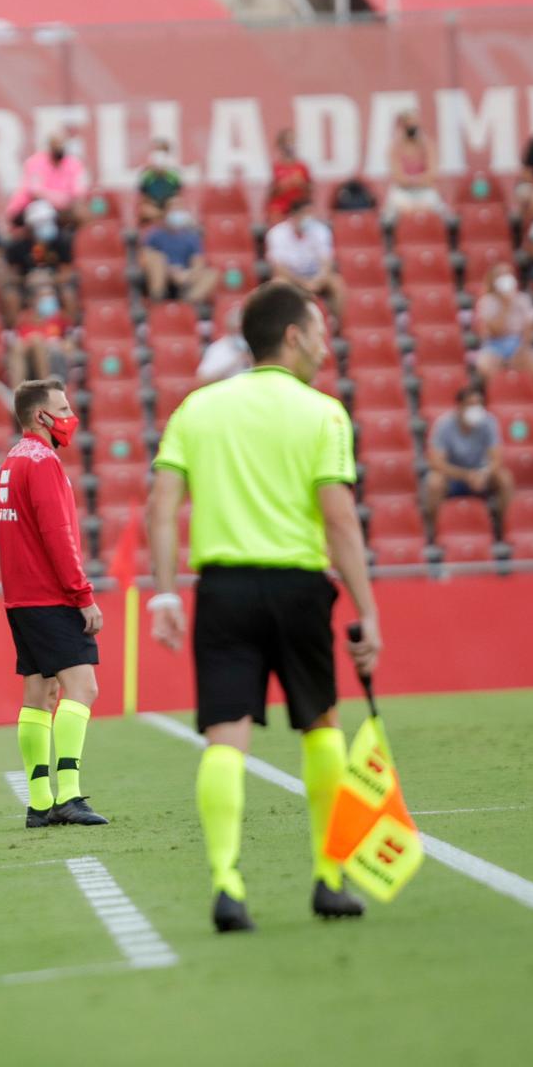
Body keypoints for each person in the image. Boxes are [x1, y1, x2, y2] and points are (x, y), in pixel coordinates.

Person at [145, 279, 380, 932]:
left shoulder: (197, 408)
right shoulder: (324, 413)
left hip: (222, 589)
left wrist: (166, 590)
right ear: (295, 335)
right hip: (300, 588)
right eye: (322, 333)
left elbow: (160, 507)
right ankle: (330, 879)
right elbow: (340, 521)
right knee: (321, 725)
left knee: (225, 737)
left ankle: (227, 884)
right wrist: (368, 607)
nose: (328, 347)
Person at [0, 378, 107, 829]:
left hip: (21, 599)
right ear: (41, 416)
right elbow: (59, 537)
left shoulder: (12, 461)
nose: (71, 415)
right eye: (64, 407)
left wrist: (21, 549)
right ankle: (69, 795)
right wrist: (83, 596)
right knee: (82, 689)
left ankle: (38, 803)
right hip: (51, 596)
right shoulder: (45, 462)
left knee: (41, 692)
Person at [423, 384, 515, 531]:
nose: (476, 409)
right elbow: (436, 463)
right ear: (459, 406)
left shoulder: (489, 422)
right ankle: (435, 531)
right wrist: (466, 476)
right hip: (454, 477)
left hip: (481, 475)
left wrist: (484, 474)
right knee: (434, 482)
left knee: (505, 478)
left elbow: (497, 459)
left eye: (479, 404)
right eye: (471, 404)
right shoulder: (444, 425)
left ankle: (502, 529)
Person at [264, 198, 343, 322]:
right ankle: (282, 323)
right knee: (278, 284)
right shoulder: (276, 234)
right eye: (305, 213)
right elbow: (279, 268)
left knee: (337, 283)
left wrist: (317, 281)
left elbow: (327, 262)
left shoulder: (320, 230)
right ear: (294, 215)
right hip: (292, 278)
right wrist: (304, 283)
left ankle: (336, 325)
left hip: (316, 277)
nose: (309, 217)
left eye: (311, 213)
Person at [2, 200, 76, 323]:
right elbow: (12, 275)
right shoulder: (17, 247)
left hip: (54, 285)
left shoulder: (62, 243)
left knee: (68, 294)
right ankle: (15, 333)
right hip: (28, 286)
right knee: (11, 297)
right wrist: (29, 279)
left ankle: (71, 329)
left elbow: (67, 273)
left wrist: (48, 280)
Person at [140, 198, 218, 305]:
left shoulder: (191, 237)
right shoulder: (154, 235)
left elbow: (198, 262)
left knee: (211, 274)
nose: (177, 212)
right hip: (163, 276)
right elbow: (145, 258)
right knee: (157, 259)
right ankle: (157, 299)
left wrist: (188, 275)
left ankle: (187, 304)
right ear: (166, 212)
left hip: (184, 278)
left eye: (180, 208)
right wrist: (170, 271)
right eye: (174, 208)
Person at [7, 131, 88, 223]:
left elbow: (79, 192)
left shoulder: (73, 164)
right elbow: (35, 193)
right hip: (27, 208)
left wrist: (63, 201)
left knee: (81, 212)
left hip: (62, 209)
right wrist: (61, 199)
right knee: (43, 213)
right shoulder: (36, 162)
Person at [473, 269, 533, 379]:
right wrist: (506, 305)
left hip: (518, 343)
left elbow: (529, 330)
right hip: (494, 345)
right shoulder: (486, 301)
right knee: (485, 367)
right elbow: (495, 331)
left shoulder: (523, 299)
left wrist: (521, 350)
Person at [384, 111, 446, 219]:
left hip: (425, 191)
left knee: (446, 217)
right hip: (402, 192)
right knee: (388, 218)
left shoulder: (427, 146)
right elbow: (398, 177)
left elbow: (432, 175)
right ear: (402, 128)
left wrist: (413, 181)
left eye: (414, 125)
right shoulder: (395, 148)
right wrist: (417, 180)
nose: (411, 129)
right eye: (408, 126)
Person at [265, 128, 313, 225]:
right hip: (280, 208)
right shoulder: (275, 167)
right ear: (281, 145)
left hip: (298, 207)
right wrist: (282, 186)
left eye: (293, 141)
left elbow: (310, 191)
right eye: (288, 141)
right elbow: (269, 195)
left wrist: (302, 184)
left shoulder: (302, 167)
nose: (291, 144)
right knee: (274, 215)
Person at [136, 138, 183, 225]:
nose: (160, 155)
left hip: (169, 208)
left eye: (163, 151)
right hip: (153, 208)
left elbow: (178, 197)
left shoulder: (175, 175)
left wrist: (170, 207)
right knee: (146, 211)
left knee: (178, 211)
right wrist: (160, 213)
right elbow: (143, 199)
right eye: (157, 151)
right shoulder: (146, 175)